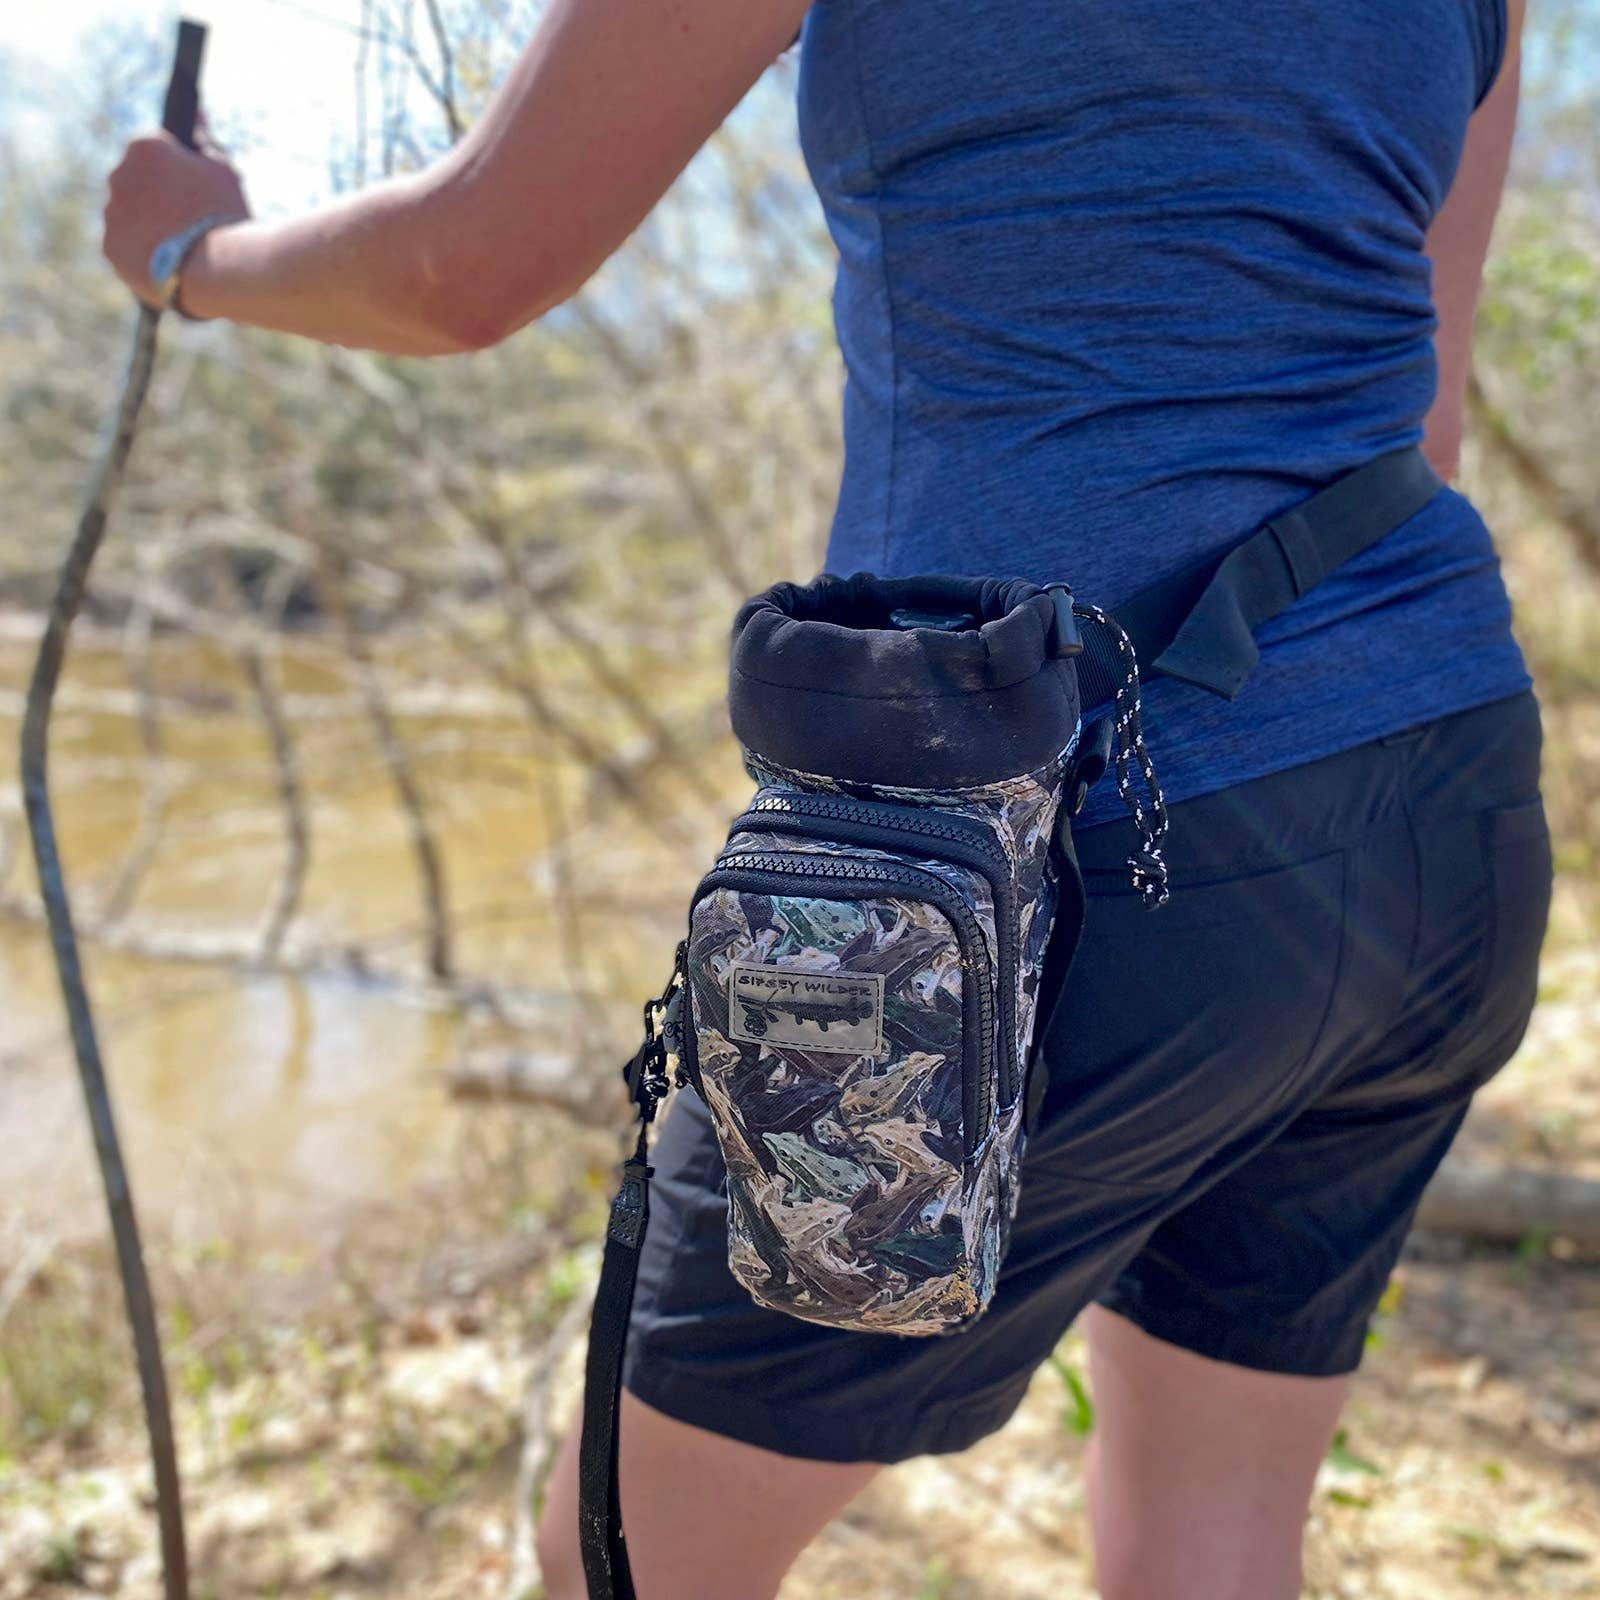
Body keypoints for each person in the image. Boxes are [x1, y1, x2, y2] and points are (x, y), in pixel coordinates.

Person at [104, 0, 1551, 1594]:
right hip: (1443, 789)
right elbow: (1428, 408)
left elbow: (465, 265)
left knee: (629, 1555)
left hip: (1040, 846)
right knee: (1213, 1529)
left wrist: (189, 252)